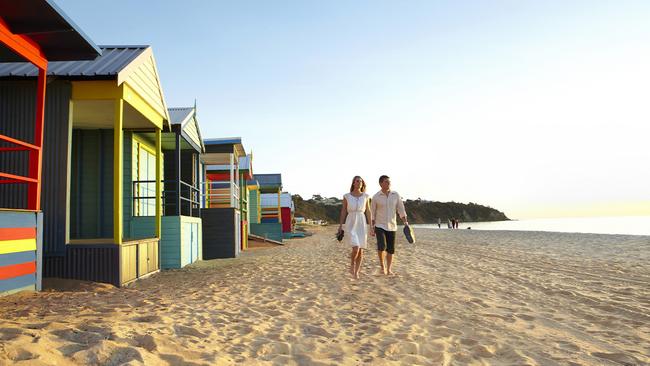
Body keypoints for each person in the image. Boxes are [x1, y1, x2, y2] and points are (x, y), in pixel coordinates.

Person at [337, 176, 373, 279]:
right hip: (351, 221)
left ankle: (356, 272)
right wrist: (340, 226)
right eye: (357, 181)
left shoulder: (366, 196)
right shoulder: (347, 196)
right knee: (356, 247)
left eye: (361, 181)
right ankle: (352, 263)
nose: (359, 183)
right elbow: (343, 211)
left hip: (362, 222)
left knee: (361, 249)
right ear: (353, 183)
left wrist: (371, 226)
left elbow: (368, 211)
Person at [371, 175, 408, 275]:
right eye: (386, 182)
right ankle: (383, 267)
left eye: (389, 182)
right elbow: (372, 213)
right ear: (381, 183)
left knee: (391, 249)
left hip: (392, 226)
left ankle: (389, 269)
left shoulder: (395, 195)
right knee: (382, 246)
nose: (389, 183)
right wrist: (372, 227)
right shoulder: (375, 197)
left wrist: (405, 222)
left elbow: (401, 209)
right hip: (380, 225)